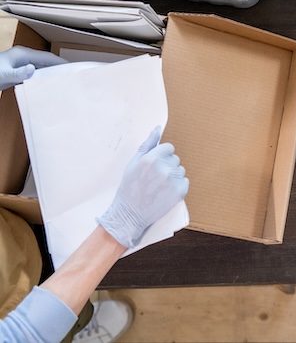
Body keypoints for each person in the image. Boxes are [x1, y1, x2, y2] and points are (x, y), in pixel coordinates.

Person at [0, 46, 189, 343]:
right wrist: (121, 226)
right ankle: (77, 328)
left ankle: (77, 316)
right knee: (64, 318)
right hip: (20, 302)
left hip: (14, 239)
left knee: (65, 298)